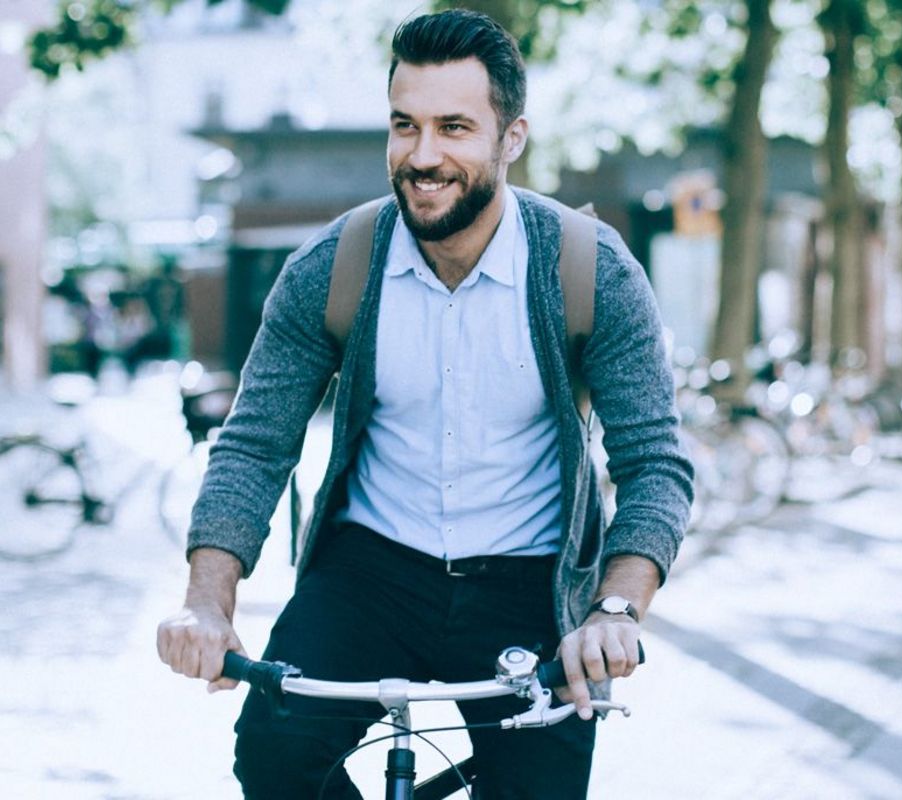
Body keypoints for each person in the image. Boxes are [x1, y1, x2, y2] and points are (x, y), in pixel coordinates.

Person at [157, 9, 693, 799]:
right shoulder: (330, 267)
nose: (423, 155)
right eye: (404, 126)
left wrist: (615, 609)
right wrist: (207, 603)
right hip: (370, 572)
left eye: (453, 127)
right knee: (273, 757)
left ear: (511, 138)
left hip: (530, 583)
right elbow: (255, 444)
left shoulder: (590, 270)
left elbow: (655, 462)